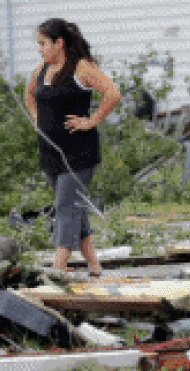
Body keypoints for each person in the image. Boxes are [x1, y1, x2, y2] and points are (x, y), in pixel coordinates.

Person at [24, 18, 121, 276]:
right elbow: (29, 95)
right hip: (50, 153)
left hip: (79, 153)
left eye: (44, 43)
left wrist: (92, 120)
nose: (40, 48)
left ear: (59, 43)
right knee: (72, 205)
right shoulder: (42, 70)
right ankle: (94, 265)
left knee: (66, 207)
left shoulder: (81, 68)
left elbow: (112, 93)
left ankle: (57, 268)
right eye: (39, 44)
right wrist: (38, 120)